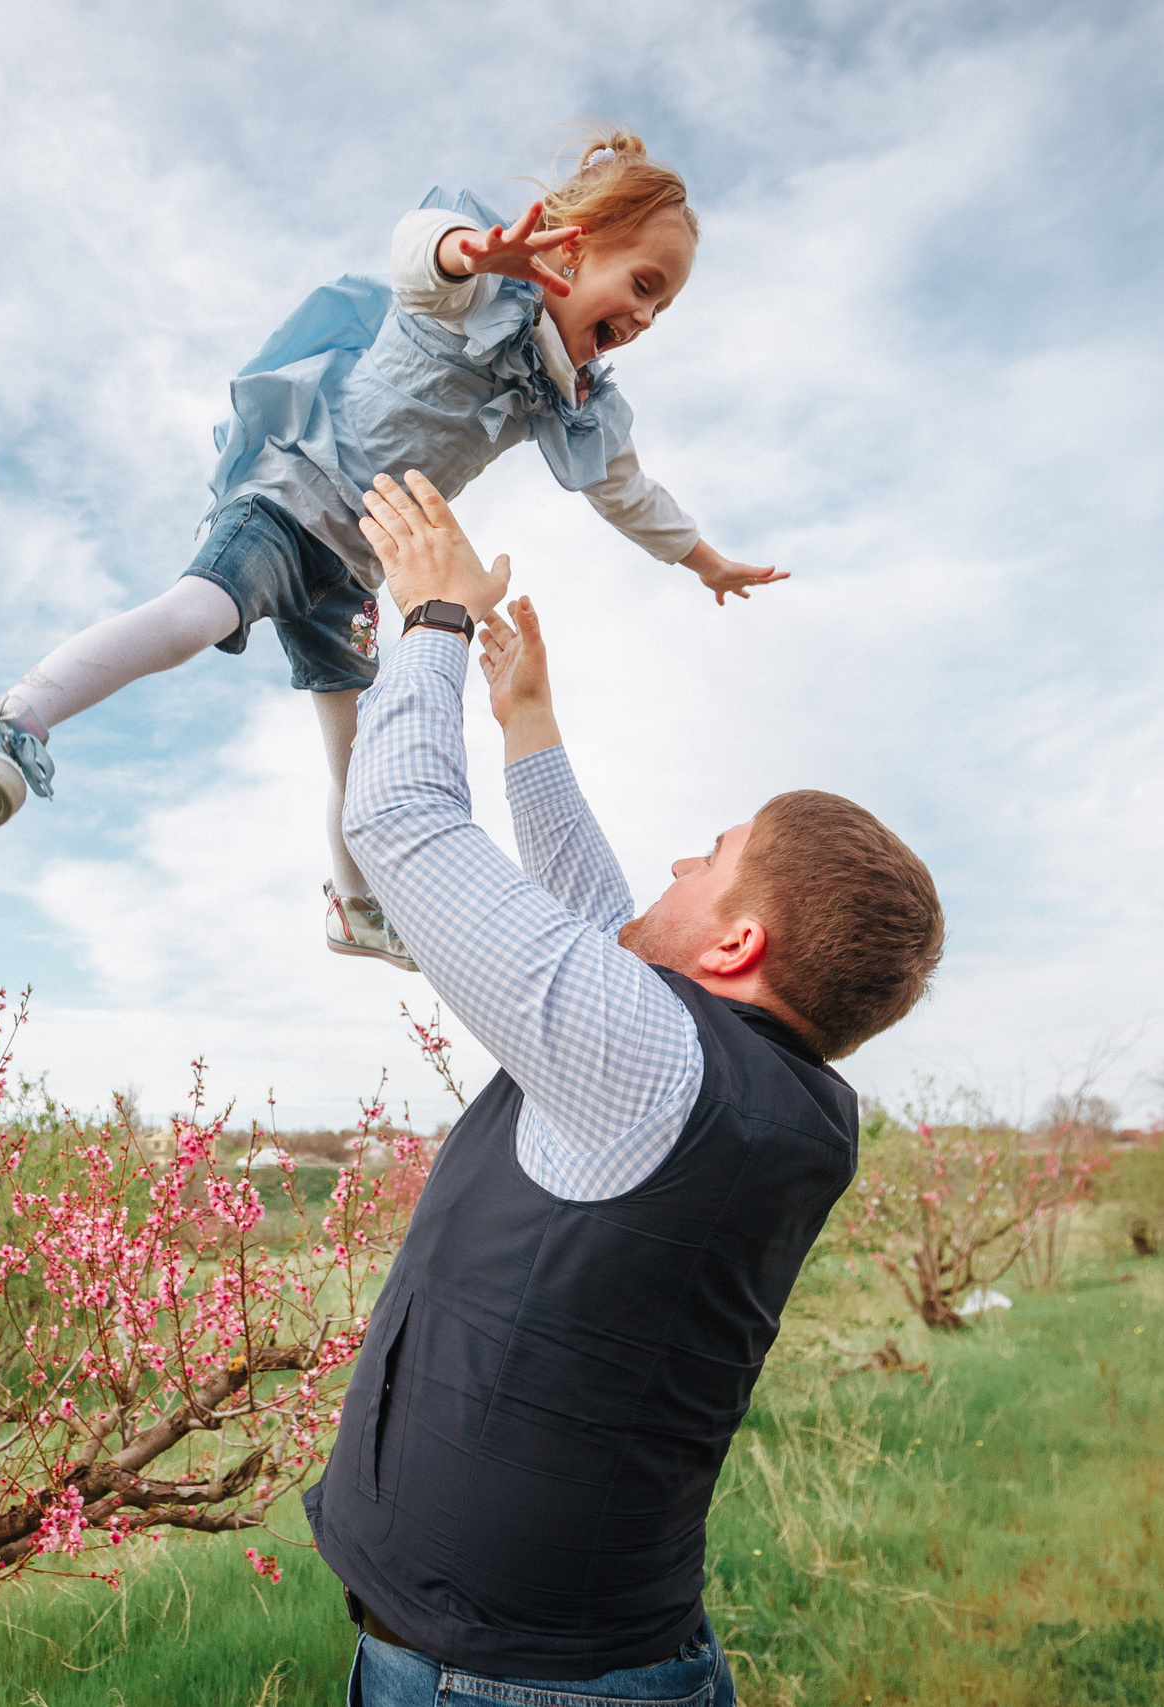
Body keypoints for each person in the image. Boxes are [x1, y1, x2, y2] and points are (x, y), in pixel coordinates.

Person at [304, 470, 943, 1705]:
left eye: (713, 858)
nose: (678, 858)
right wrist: (529, 722)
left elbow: (399, 819)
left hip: (499, 1688)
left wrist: (430, 618)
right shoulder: (759, 1094)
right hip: (548, 1669)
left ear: (737, 948)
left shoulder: (656, 1064)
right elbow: (601, 919)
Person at [0, 131, 788, 973]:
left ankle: (355, 905)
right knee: (193, 616)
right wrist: (470, 251)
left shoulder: (566, 393)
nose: (645, 315)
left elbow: (625, 486)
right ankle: (8, 720)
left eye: (661, 306)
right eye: (641, 284)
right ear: (568, 248)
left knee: (357, 753)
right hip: (291, 499)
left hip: (355, 570)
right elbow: (416, 252)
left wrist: (702, 558)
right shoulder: (476, 292)